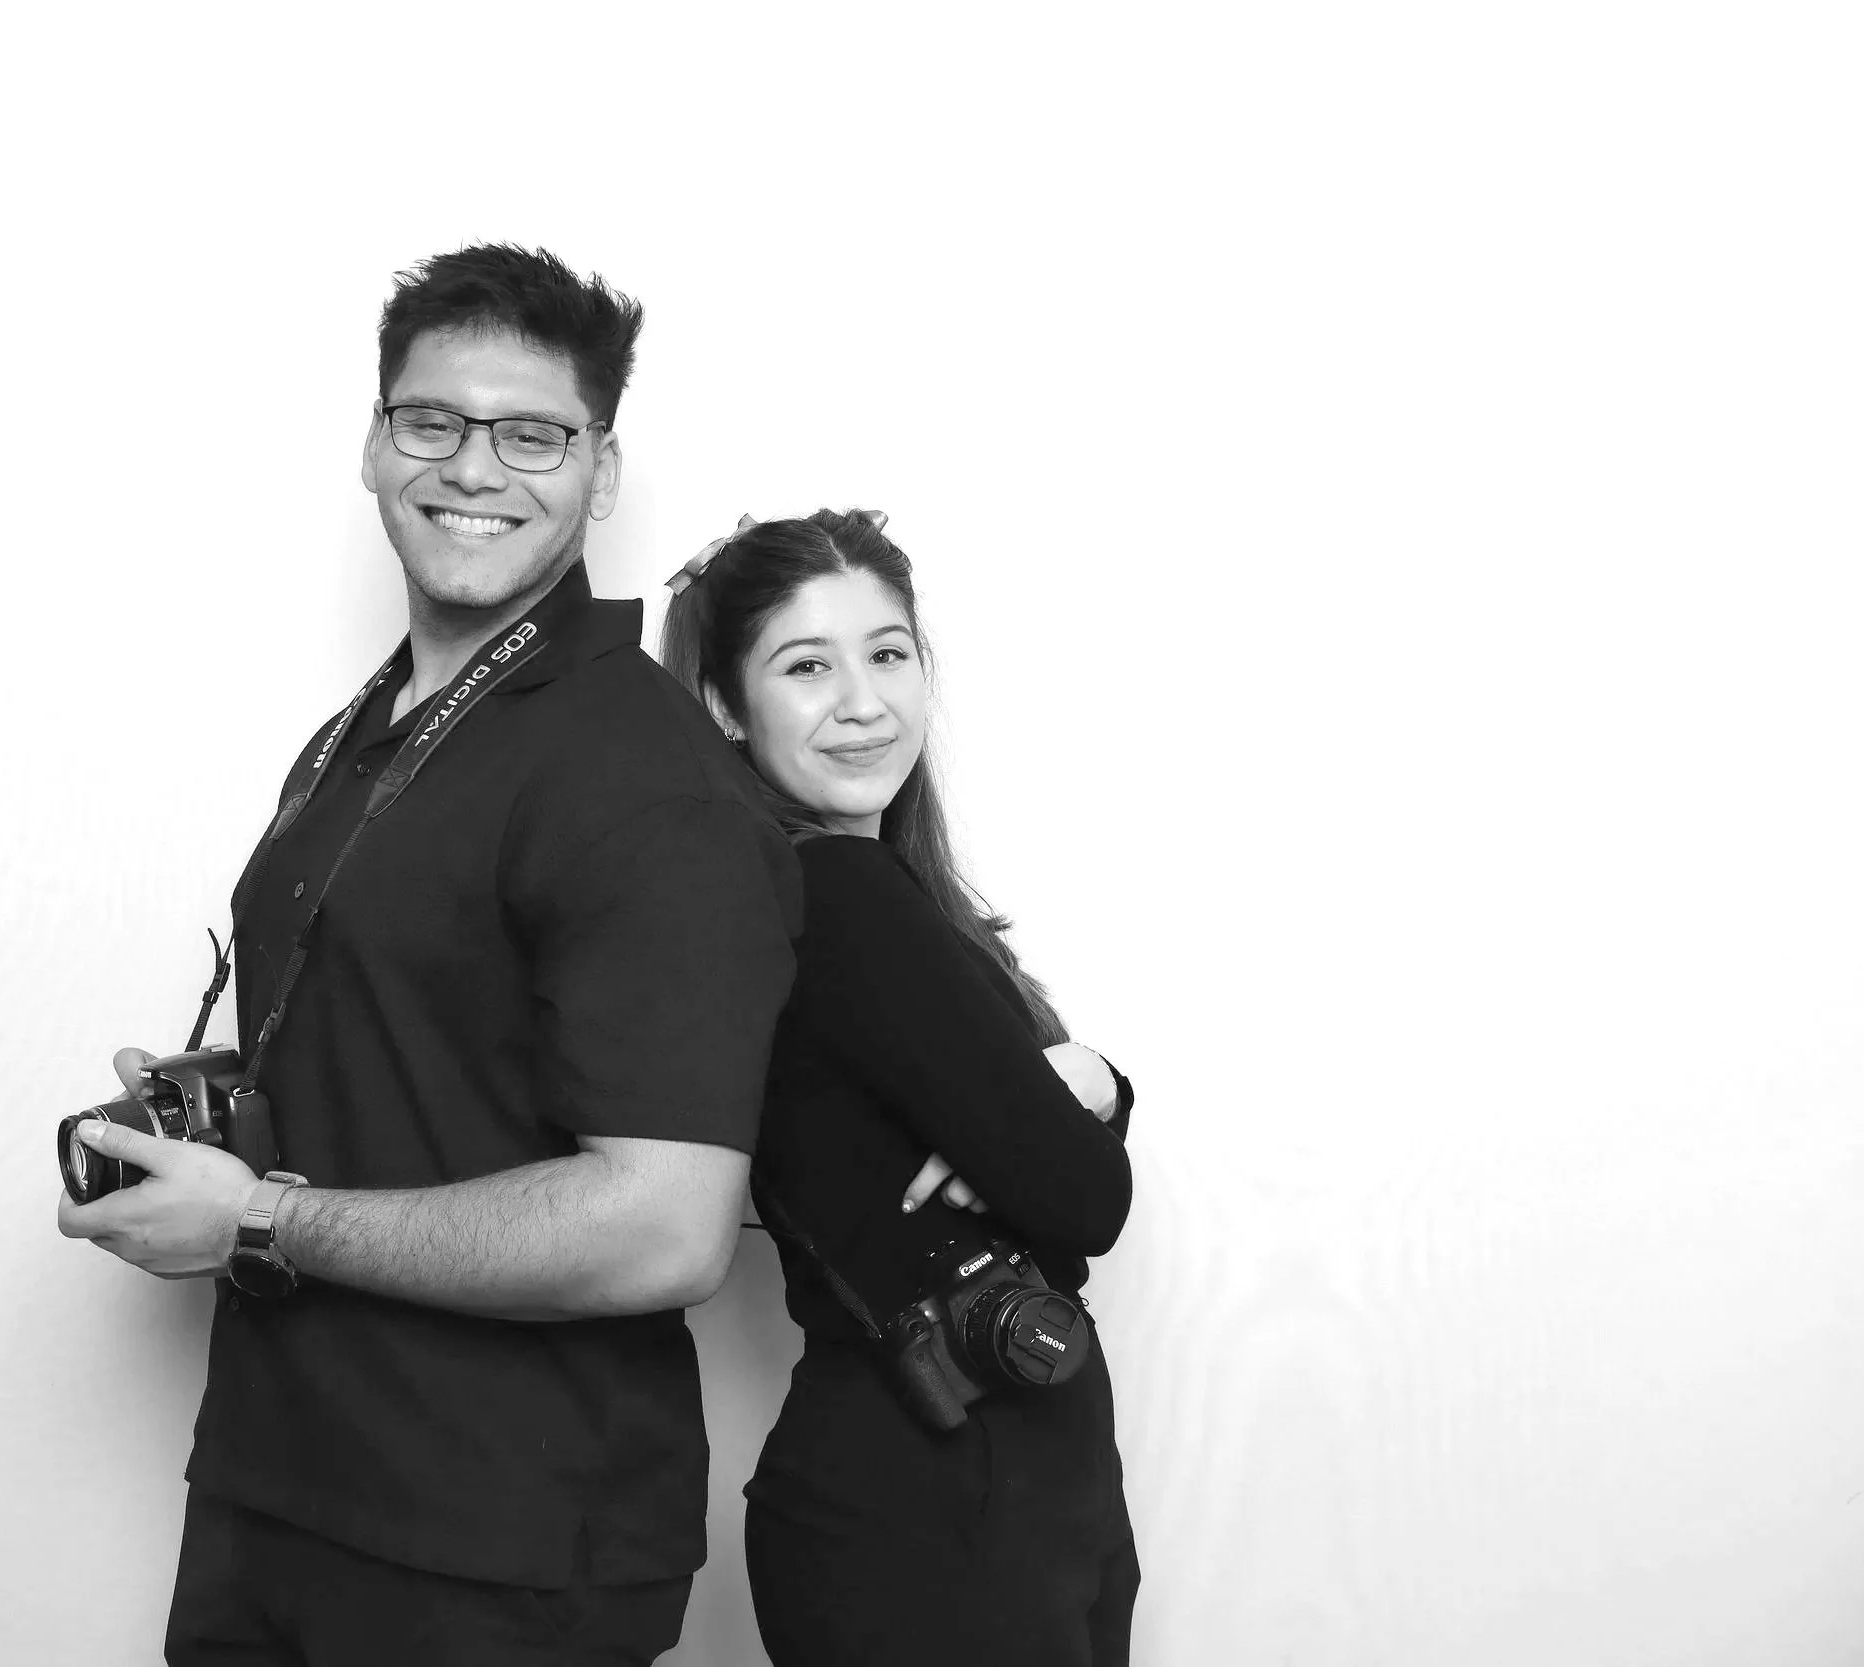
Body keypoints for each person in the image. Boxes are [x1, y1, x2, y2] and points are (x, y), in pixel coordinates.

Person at [57, 246, 801, 1667]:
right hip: (279, 1492)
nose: (476, 466)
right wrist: (234, 1099)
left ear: (603, 470)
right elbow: (423, 1027)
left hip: (497, 1551)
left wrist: (260, 1215)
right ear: (374, 442)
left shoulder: (647, 783)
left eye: (534, 432)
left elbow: (664, 1222)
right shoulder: (367, 728)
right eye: (432, 420)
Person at [657, 508, 1140, 1666]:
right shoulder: (840, 896)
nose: (862, 698)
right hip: (942, 1502)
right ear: (725, 704)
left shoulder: (857, 896)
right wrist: (1070, 1100)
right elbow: (1088, 1203)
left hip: (981, 1482)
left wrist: (1091, 1079)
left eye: (887, 652)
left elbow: (1052, 1142)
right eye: (805, 664)